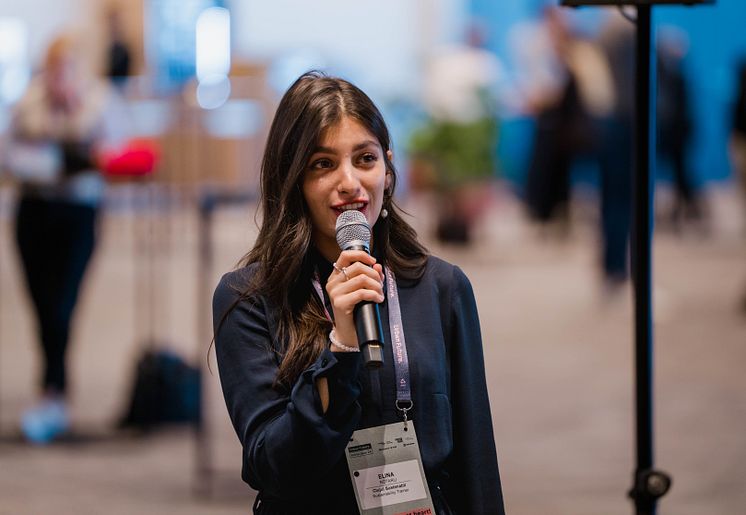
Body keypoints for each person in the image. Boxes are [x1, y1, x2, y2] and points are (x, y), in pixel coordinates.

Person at [212, 71, 505, 514]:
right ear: (293, 181)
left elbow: (475, 459)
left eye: (364, 159)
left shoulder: (443, 287)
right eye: (322, 164)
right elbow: (272, 466)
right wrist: (342, 346)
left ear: (387, 171)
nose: (349, 182)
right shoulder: (251, 298)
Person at [6, 33, 127, 443]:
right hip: (34, 212)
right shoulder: (28, 102)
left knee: (62, 304)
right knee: (41, 306)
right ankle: (53, 389)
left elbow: (114, 154)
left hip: (78, 213)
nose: (61, 77)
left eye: (68, 68)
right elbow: (11, 157)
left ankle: (52, 390)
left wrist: (73, 143)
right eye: (55, 68)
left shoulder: (99, 102)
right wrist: (62, 161)